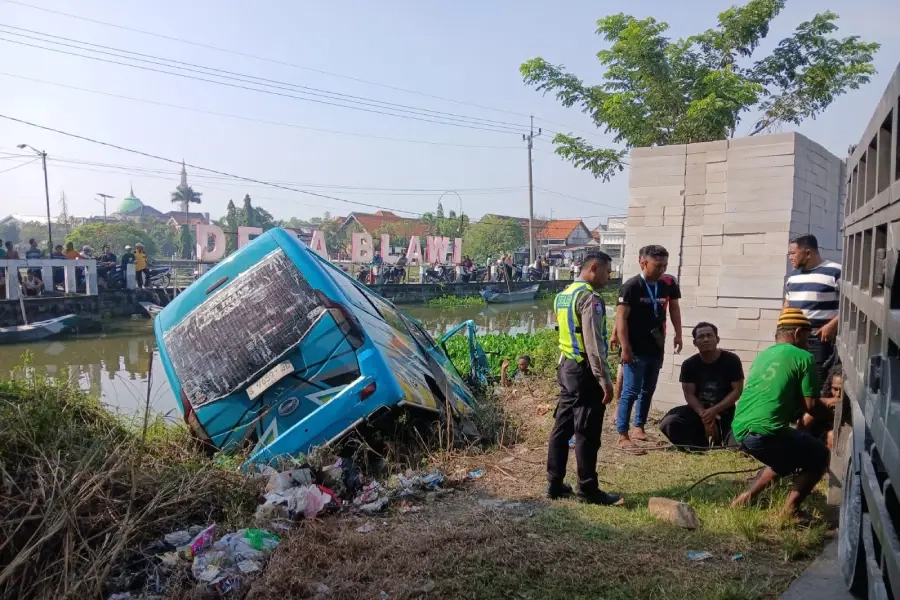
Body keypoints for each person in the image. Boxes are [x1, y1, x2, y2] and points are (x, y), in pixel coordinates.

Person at [730, 308, 828, 517]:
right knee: (819, 454)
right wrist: (832, 413)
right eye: (807, 337)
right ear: (798, 333)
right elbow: (811, 405)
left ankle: (744, 500)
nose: (808, 343)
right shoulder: (804, 357)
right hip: (766, 431)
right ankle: (791, 511)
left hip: (740, 429)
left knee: (785, 458)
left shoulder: (763, 355)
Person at [546, 251, 623, 506]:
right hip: (584, 371)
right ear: (593, 268)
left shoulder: (564, 295)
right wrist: (604, 379)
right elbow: (593, 343)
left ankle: (554, 483)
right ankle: (588, 489)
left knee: (562, 428)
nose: (609, 277)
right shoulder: (590, 298)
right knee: (587, 432)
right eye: (607, 271)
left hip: (566, 366)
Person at [615, 246, 683, 452]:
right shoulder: (631, 287)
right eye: (658, 265)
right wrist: (625, 347)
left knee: (648, 389)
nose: (662, 270)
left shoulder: (666, 285)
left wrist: (678, 334)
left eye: (665, 265)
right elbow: (621, 318)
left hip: (656, 346)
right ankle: (623, 434)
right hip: (635, 348)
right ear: (643, 263)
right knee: (630, 391)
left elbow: (674, 309)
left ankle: (639, 427)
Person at [658, 322, 744, 449]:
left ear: (717, 339)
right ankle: (698, 447)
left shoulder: (732, 360)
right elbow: (689, 394)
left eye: (709, 335)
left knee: (738, 443)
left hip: (725, 411)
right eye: (701, 337)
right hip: (698, 411)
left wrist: (714, 411)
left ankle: (721, 441)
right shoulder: (689, 364)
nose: (706, 339)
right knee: (668, 423)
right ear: (695, 343)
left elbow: (737, 391)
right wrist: (705, 416)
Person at [784, 234, 841, 386]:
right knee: (793, 379)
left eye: (793, 253)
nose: (790, 257)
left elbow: (850, 306)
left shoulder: (835, 271)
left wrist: (833, 324)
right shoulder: (793, 276)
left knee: (816, 380)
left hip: (820, 338)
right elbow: (787, 303)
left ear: (808, 253)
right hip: (794, 338)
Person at [799, 363, 842, 450]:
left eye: (841, 390)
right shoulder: (826, 397)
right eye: (835, 389)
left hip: (840, 437)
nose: (838, 394)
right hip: (820, 436)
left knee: (832, 436)